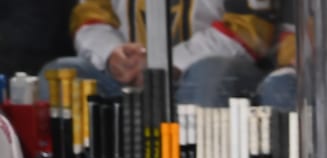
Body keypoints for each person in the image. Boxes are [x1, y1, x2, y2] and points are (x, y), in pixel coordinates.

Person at [46, 1, 276, 107]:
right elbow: (90, 14)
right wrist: (111, 54)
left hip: (205, 72)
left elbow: (251, 30)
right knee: (61, 75)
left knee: (210, 74)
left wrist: (166, 65)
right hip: (128, 77)